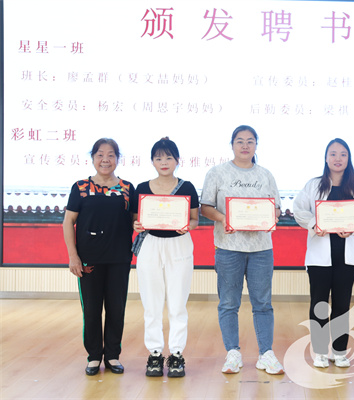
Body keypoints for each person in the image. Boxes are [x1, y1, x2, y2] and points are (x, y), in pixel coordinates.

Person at [200, 125, 284, 375]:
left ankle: (266, 354)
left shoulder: (266, 175)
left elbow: (276, 208)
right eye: (240, 141)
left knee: (263, 303)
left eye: (250, 141)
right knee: (228, 302)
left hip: (261, 249)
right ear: (232, 145)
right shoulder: (217, 173)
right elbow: (206, 207)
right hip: (228, 248)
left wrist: (272, 216)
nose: (245, 145)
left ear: (256, 145)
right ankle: (233, 353)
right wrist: (224, 218)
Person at [293, 138, 354, 368]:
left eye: (343, 154)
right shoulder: (314, 185)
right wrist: (314, 224)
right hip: (319, 257)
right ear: (326, 158)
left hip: (347, 257)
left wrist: (353, 227)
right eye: (333, 154)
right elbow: (299, 210)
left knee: (342, 305)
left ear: (348, 159)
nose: (338, 158)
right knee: (319, 303)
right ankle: (319, 351)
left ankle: (339, 351)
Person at [62, 138, 135, 376]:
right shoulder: (80, 187)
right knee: (92, 310)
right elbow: (68, 222)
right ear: (93, 158)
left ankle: (112, 355)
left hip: (119, 258)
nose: (105, 159)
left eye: (111, 154)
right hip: (88, 260)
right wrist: (73, 256)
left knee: (116, 309)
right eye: (100, 154)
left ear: (117, 158)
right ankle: (94, 356)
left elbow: (136, 220)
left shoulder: (127, 188)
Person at [132, 137, 199, 378]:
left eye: (169, 157)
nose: (164, 162)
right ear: (152, 161)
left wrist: (188, 226)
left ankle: (177, 354)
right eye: (158, 157)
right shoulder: (141, 188)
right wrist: (136, 225)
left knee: (178, 303)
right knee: (151, 303)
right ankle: (155, 353)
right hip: (150, 244)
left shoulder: (187, 187)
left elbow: (195, 219)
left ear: (177, 160)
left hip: (179, 245)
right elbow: (134, 219)